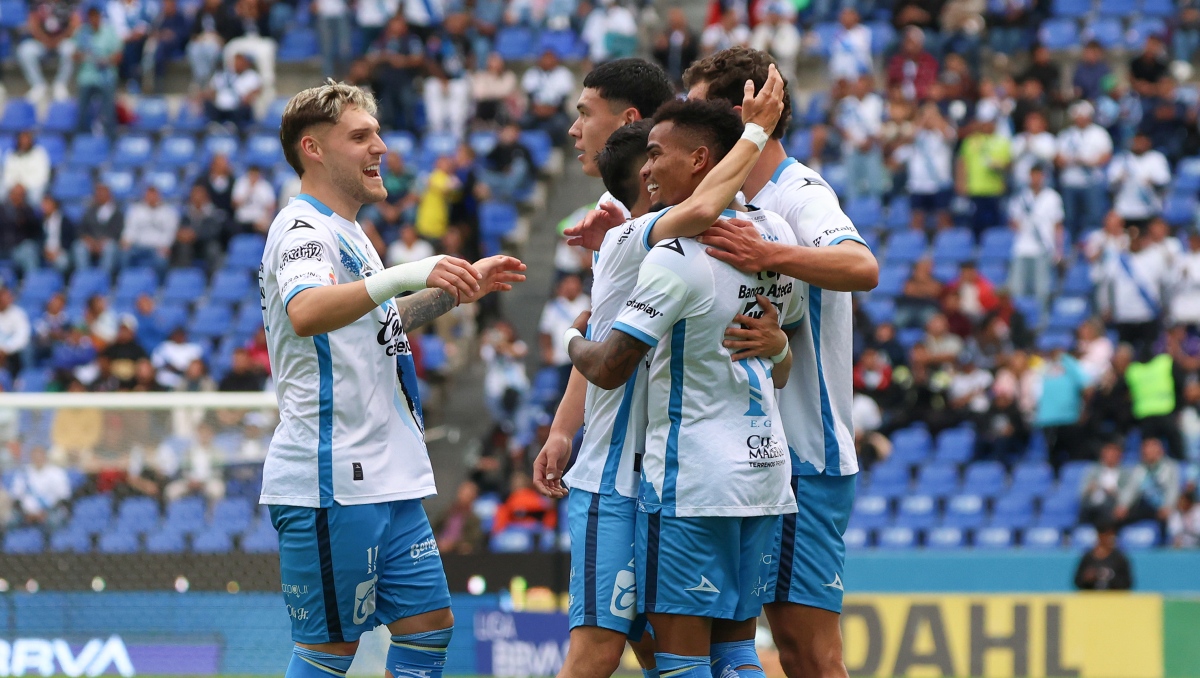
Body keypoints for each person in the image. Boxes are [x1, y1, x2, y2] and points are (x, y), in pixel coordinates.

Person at [261, 82, 525, 678]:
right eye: (360, 136)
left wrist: (454, 292)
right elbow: (307, 311)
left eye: (377, 134)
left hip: (385, 474)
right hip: (332, 477)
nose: (380, 147)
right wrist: (408, 271)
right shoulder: (302, 229)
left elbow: (377, 322)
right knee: (329, 653)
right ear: (312, 149)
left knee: (428, 631)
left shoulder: (350, 232)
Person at [565, 94, 800, 678]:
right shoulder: (773, 236)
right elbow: (780, 350)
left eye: (656, 155)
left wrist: (571, 336)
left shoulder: (672, 253)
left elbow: (611, 366)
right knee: (736, 654)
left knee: (678, 661)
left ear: (699, 161)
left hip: (691, 479)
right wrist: (780, 344)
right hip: (763, 473)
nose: (648, 169)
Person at [683, 47, 880, 678]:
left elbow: (861, 266)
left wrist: (771, 254)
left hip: (806, 454)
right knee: (729, 645)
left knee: (808, 655)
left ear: (743, 113)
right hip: (749, 455)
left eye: (698, 111)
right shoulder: (727, 201)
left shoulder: (798, 192)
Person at [1007, 165, 1063, 311]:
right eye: (1033, 175)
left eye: (1039, 175)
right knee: (1017, 290)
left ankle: (1042, 322)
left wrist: (1058, 250)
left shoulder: (1052, 197)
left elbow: (1058, 225)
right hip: (1022, 248)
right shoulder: (1021, 196)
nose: (1036, 179)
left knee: (1042, 292)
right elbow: (1013, 221)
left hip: (1043, 248)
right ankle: (1019, 321)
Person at [1056, 101, 1113, 239]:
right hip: (1070, 182)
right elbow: (1058, 159)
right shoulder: (1066, 135)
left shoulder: (1099, 133)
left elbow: (1107, 155)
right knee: (1070, 217)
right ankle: (1072, 245)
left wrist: (1090, 162)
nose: (1081, 118)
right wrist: (1072, 160)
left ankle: (1092, 244)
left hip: (1092, 181)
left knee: (1094, 217)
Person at [18, 0, 81, 102]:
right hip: (42, 43)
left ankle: (60, 85)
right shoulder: (37, 4)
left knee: (70, 48)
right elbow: (32, 24)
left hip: (62, 42)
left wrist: (58, 39)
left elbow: (75, 24)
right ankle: (38, 85)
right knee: (25, 50)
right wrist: (45, 40)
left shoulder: (68, 4)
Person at [74, 7, 122, 135]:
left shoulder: (109, 32)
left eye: (96, 16)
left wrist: (106, 60)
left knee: (108, 111)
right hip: (87, 76)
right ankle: (82, 136)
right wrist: (82, 55)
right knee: (82, 110)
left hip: (106, 76)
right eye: (91, 17)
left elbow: (118, 56)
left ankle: (110, 136)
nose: (94, 19)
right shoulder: (82, 33)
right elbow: (74, 55)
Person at [1108, 132, 1170, 230]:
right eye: (1136, 141)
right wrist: (1121, 178)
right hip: (1124, 209)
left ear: (1148, 143)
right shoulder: (1122, 159)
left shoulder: (1157, 158)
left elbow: (1164, 181)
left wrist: (1151, 181)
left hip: (1149, 209)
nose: (1139, 144)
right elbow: (1110, 182)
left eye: (1142, 142)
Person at [538, 273, 590, 390]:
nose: (571, 286)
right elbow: (545, 331)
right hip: (561, 357)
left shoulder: (587, 302)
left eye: (574, 282)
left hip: (583, 355)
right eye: (568, 283)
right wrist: (548, 351)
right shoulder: (554, 306)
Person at [121, 185, 179, 275]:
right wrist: (126, 240)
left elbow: (170, 232)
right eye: (149, 195)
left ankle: (161, 283)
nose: (151, 198)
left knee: (162, 260)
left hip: (158, 248)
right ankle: (124, 280)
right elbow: (130, 229)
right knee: (124, 254)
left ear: (159, 196)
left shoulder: (169, 212)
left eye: (154, 195)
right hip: (138, 247)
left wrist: (166, 246)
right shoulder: (135, 211)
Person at [520, 50, 575, 142]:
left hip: (557, 110)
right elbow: (530, 96)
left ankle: (557, 147)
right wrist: (538, 109)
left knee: (560, 124)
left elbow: (563, 97)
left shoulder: (564, 74)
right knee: (523, 121)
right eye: (545, 58)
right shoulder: (532, 73)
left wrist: (550, 110)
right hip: (535, 110)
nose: (547, 61)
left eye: (550, 58)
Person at [11, 446, 71, 527]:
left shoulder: (57, 473)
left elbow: (63, 497)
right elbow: (16, 496)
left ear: (45, 456)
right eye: (35, 457)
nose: (38, 459)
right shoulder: (23, 472)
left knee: (54, 522)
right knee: (11, 521)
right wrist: (25, 513)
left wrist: (44, 513)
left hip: (50, 511)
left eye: (40, 456)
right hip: (26, 513)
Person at [204, 52, 261, 131]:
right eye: (235, 61)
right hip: (220, 108)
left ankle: (234, 126)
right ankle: (215, 124)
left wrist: (245, 99)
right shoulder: (223, 75)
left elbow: (256, 91)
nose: (236, 64)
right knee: (207, 103)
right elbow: (212, 90)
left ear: (245, 63)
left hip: (238, 108)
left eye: (239, 61)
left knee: (244, 109)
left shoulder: (252, 76)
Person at [74, 183, 123, 274]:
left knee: (110, 248)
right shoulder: (89, 211)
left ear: (109, 194)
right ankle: (84, 275)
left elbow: (117, 232)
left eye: (102, 192)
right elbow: (82, 229)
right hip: (91, 242)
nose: (99, 195)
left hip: (108, 242)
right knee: (79, 247)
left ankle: (103, 276)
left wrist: (103, 241)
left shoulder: (117, 212)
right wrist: (90, 240)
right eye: (98, 192)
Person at [1080, 441, 1126, 527]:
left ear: (1119, 456)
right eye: (1108, 453)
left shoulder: (1125, 473)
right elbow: (1081, 493)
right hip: (1092, 507)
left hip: (1111, 507)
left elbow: (1128, 494)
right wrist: (1089, 489)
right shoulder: (1093, 471)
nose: (1110, 456)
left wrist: (1114, 493)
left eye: (1113, 454)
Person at [432, 480, 486, 555]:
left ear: (473, 497)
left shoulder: (474, 520)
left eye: (467, 495)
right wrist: (439, 541)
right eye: (462, 493)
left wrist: (452, 544)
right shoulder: (446, 513)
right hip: (439, 549)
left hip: (459, 553)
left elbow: (473, 540)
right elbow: (433, 529)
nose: (463, 497)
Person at [1074, 524, 1133, 590]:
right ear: (1099, 536)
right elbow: (1077, 581)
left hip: (1113, 595)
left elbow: (1127, 583)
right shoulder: (1088, 557)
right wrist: (1087, 578)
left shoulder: (1120, 558)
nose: (1109, 538)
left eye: (1111, 535)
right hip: (1091, 595)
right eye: (1105, 535)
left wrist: (1111, 578)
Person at [3, 132, 51, 203]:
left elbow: (42, 175)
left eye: (26, 140)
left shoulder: (39, 153)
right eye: (22, 140)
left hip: (33, 185)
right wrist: (15, 185)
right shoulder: (11, 153)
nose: (24, 142)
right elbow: (7, 174)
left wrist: (24, 185)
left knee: (34, 198)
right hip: (14, 186)